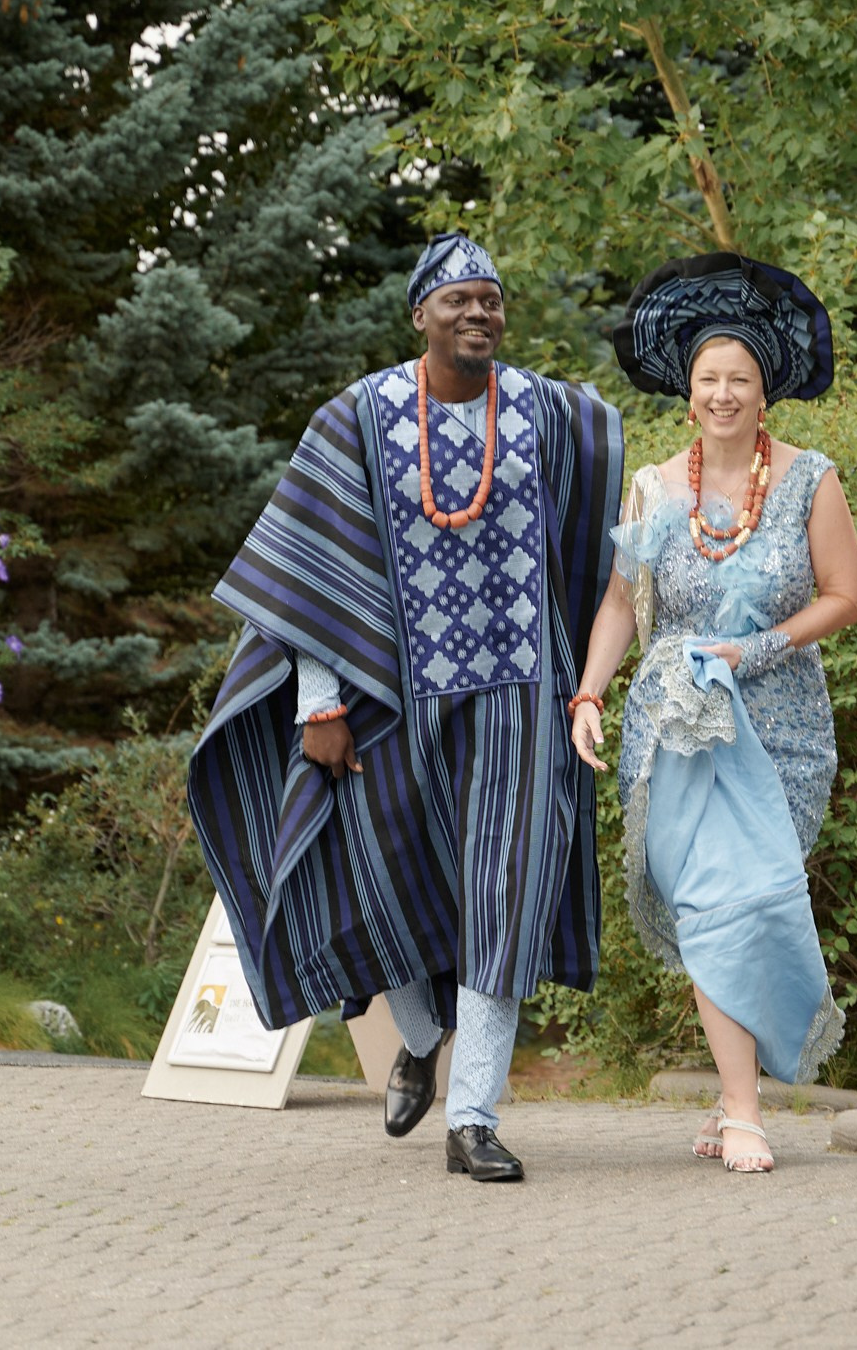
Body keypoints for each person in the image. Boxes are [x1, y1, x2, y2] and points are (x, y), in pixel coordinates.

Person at [188, 233, 624, 1182]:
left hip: (523, 695)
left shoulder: (549, 412)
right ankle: (420, 1032)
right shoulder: (358, 416)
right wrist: (318, 705)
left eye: (492, 300)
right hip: (395, 695)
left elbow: (603, 507)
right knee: (377, 865)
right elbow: (315, 575)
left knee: (503, 891)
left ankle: (472, 1116)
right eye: (458, 299)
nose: (479, 313)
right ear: (419, 315)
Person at [569, 251, 857, 1174]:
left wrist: (754, 648)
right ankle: (742, 1108)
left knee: (755, 903)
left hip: (782, 731)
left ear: (763, 389)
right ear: (687, 392)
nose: (724, 393)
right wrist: (589, 692)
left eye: (740, 378)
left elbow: (844, 595)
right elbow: (622, 602)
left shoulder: (811, 478)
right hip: (679, 729)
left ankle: (741, 1090)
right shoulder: (656, 489)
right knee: (711, 905)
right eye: (709, 379)